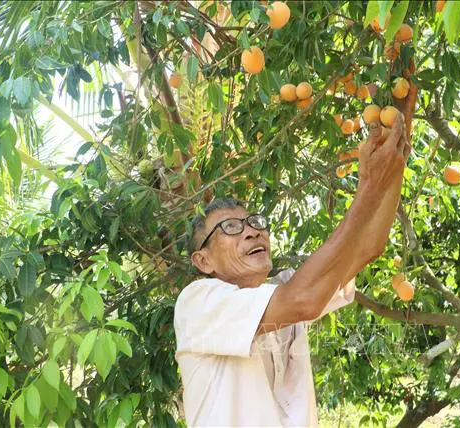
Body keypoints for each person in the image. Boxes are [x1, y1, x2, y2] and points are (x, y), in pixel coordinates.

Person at [174, 115, 411, 426]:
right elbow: (303, 299)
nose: (251, 232)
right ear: (203, 261)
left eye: (254, 222)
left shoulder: (282, 292)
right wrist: (368, 187)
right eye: (230, 228)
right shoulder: (198, 302)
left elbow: (367, 247)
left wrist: (396, 159)